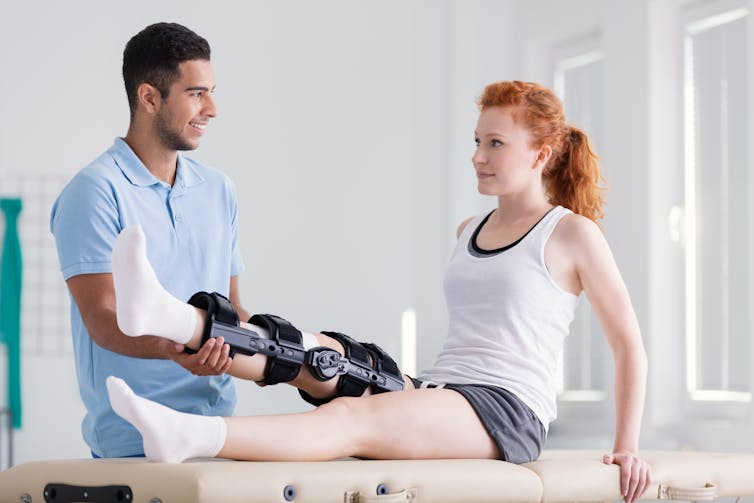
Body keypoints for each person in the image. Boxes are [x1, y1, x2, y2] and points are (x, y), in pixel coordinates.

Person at [105, 81, 651, 502]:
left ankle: (193, 435)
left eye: (496, 143)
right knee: (317, 356)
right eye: (477, 141)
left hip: (506, 412)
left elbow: (628, 344)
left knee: (348, 422)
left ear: (542, 154)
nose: (478, 155)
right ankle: (168, 316)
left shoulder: (571, 233)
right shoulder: (470, 230)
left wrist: (626, 445)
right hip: (439, 390)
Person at [50, 22, 240, 458]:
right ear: (149, 97)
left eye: (211, 91)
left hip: (218, 431)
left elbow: (233, 307)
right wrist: (175, 349)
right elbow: (102, 318)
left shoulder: (218, 190)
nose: (212, 108)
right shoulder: (94, 191)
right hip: (133, 441)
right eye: (196, 93)